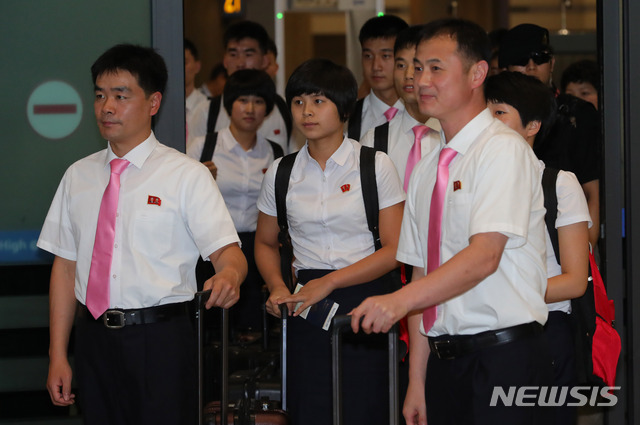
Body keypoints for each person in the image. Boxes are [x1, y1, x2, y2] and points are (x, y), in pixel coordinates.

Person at [350, 19, 553, 425]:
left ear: (477, 73)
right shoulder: (428, 167)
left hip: (502, 358)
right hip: (444, 361)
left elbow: (484, 256)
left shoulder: (501, 150)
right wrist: (417, 380)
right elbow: (423, 275)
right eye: (416, 67)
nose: (420, 79)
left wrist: (396, 301)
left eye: (436, 68)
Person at [37, 44, 247, 425]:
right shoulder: (78, 176)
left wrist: (230, 275)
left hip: (161, 339)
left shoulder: (184, 174)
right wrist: (57, 354)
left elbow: (228, 254)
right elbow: (65, 268)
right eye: (100, 95)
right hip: (93, 339)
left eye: (121, 95)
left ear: (153, 102)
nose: (106, 107)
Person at [254, 58, 405, 425]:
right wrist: (277, 287)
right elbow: (264, 242)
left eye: (319, 101)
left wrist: (332, 282)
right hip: (306, 305)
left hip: (368, 299)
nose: (306, 112)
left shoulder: (374, 165)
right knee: (311, 407)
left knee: (368, 406)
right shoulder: (282, 171)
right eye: (299, 102)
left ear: (345, 108)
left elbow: (396, 249)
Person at [486, 71, 591, 425]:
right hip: (485, 330)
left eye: (499, 113)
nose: (487, 123)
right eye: (484, 112)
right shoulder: (469, 183)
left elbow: (576, 281)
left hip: (546, 329)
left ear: (532, 125)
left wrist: (497, 293)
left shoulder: (559, 184)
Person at [187, 68, 281, 331]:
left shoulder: (275, 152)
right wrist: (201, 179)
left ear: (268, 109)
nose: (250, 108)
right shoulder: (202, 147)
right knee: (211, 323)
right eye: (242, 100)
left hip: (258, 246)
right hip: (211, 247)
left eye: (259, 101)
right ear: (229, 106)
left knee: (254, 326)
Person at [499, 23, 601, 249]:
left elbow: (592, 190)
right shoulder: (493, 115)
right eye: (522, 59)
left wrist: (588, 247)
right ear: (504, 68)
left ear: (552, 63)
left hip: (568, 230)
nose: (532, 66)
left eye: (540, 57)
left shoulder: (577, 113)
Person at [188, 20, 293, 154]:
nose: (240, 63)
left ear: (265, 60)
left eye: (248, 54)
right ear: (225, 61)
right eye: (233, 54)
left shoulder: (285, 109)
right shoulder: (206, 112)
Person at [361, 24, 441, 190]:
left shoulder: (454, 134)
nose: (408, 75)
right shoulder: (374, 140)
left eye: (417, 67)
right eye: (401, 65)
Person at [347, 14, 409, 141]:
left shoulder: (425, 115)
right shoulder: (347, 118)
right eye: (368, 56)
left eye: (385, 56)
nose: (375, 66)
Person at [184, 39, 208, 126]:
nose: (179, 67)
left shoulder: (207, 107)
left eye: (184, 62)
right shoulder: (158, 105)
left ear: (197, 66)